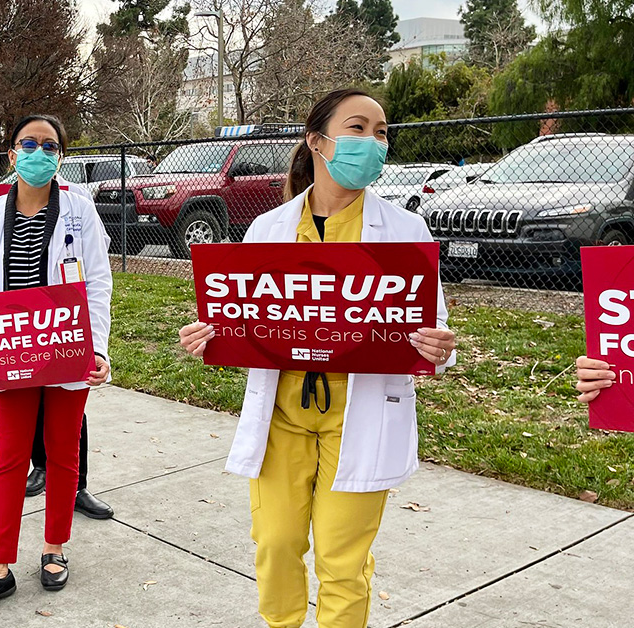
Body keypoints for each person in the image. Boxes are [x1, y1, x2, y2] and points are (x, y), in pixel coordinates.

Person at [178, 89, 458, 628]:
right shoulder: (267, 230)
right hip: (281, 418)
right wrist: (208, 336)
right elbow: (243, 319)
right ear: (317, 141)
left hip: (360, 415)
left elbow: (430, 335)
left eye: (381, 132)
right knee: (277, 545)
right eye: (358, 128)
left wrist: (437, 348)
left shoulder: (405, 232)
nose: (374, 142)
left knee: (342, 562)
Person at [0, 114, 113, 612]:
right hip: (7, 351)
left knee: (63, 455)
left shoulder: (81, 211)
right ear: (12, 153)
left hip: (65, 350)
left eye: (50, 145)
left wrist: (95, 348)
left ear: (61, 155)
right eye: (29, 144)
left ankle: (54, 547)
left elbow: (97, 285)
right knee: (11, 460)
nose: (40, 153)